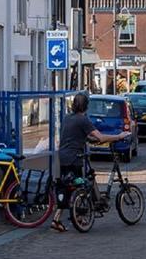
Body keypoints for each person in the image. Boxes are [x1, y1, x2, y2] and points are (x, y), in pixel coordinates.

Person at [52, 92, 127, 233]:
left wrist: (88, 139)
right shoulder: (83, 120)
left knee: (69, 185)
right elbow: (100, 137)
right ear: (86, 106)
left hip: (63, 157)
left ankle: (59, 219)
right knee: (80, 185)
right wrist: (118, 136)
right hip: (75, 158)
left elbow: (73, 136)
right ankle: (78, 215)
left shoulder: (67, 118)